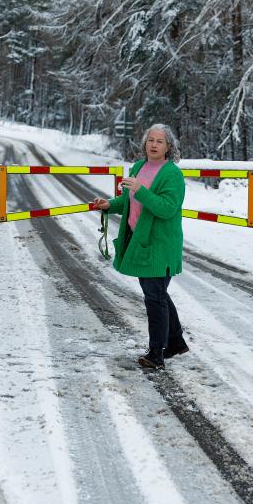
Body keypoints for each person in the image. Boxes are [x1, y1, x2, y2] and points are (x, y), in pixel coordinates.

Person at [92, 124, 188, 371]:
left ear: (169, 147)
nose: (154, 145)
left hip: (160, 245)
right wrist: (108, 205)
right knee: (157, 294)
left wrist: (140, 190)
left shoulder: (172, 175)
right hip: (140, 242)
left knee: (154, 297)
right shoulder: (138, 168)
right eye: (150, 140)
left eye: (160, 141)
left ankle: (157, 354)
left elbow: (166, 208)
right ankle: (175, 342)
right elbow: (128, 201)